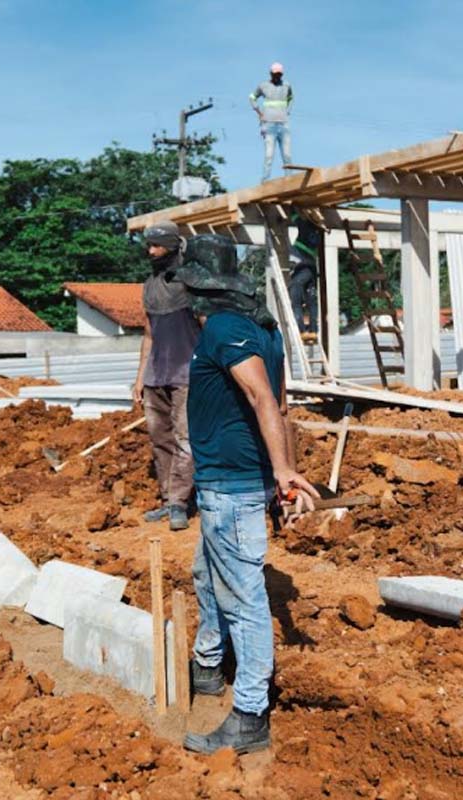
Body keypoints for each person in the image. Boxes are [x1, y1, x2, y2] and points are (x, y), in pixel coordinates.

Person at [172, 235, 318, 755]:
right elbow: (279, 403)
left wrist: (282, 471)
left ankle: (250, 714)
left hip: (231, 489)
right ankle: (208, 666)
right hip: (230, 485)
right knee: (207, 578)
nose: (186, 299)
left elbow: (262, 397)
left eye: (190, 288)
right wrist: (280, 472)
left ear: (203, 291)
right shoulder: (262, 329)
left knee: (244, 600)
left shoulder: (228, 329)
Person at [131, 221, 198, 531]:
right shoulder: (149, 286)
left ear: (172, 246)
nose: (151, 251)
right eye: (149, 245)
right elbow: (148, 335)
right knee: (161, 439)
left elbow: (206, 325)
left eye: (157, 245)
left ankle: (179, 504)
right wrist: (140, 377)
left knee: (186, 440)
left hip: (187, 372)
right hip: (157, 374)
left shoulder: (191, 281)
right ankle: (168, 498)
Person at [251, 62, 294, 183]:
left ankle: (289, 180)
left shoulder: (286, 85)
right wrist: (260, 113)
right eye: (275, 74)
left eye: (279, 74)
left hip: (283, 124)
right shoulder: (263, 86)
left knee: (287, 155)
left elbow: (291, 98)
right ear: (271, 74)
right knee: (269, 156)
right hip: (269, 125)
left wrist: (287, 111)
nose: (277, 77)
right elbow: (252, 97)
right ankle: (265, 181)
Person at [287, 210, 323, 339]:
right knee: (311, 300)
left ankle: (301, 330)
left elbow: (294, 214)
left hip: (302, 269)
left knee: (295, 299)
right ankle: (313, 330)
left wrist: (292, 206)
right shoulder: (318, 234)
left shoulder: (304, 227)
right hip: (312, 270)